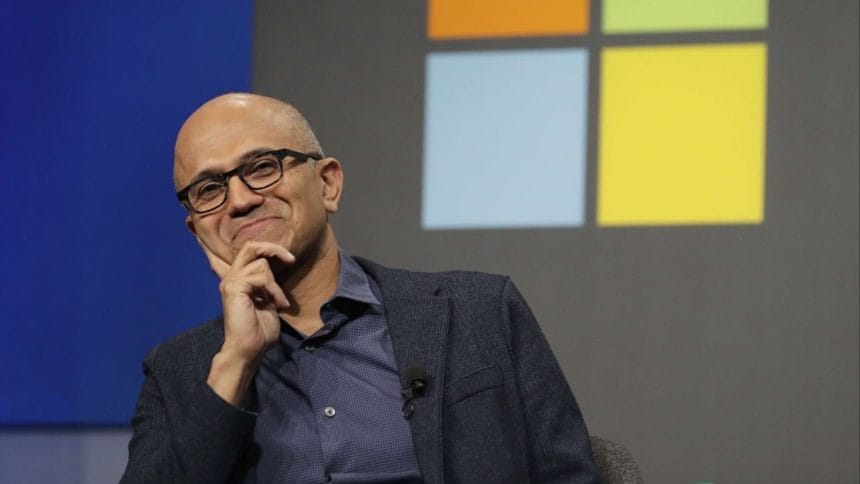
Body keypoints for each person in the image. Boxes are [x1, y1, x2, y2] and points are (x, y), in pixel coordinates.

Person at [121, 93, 600, 483]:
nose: (241, 200)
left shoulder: (479, 312)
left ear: (328, 184)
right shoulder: (177, 372)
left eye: (263, 167)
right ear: (198, 230)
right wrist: (236, 363)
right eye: (209, 190)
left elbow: (568, 475)